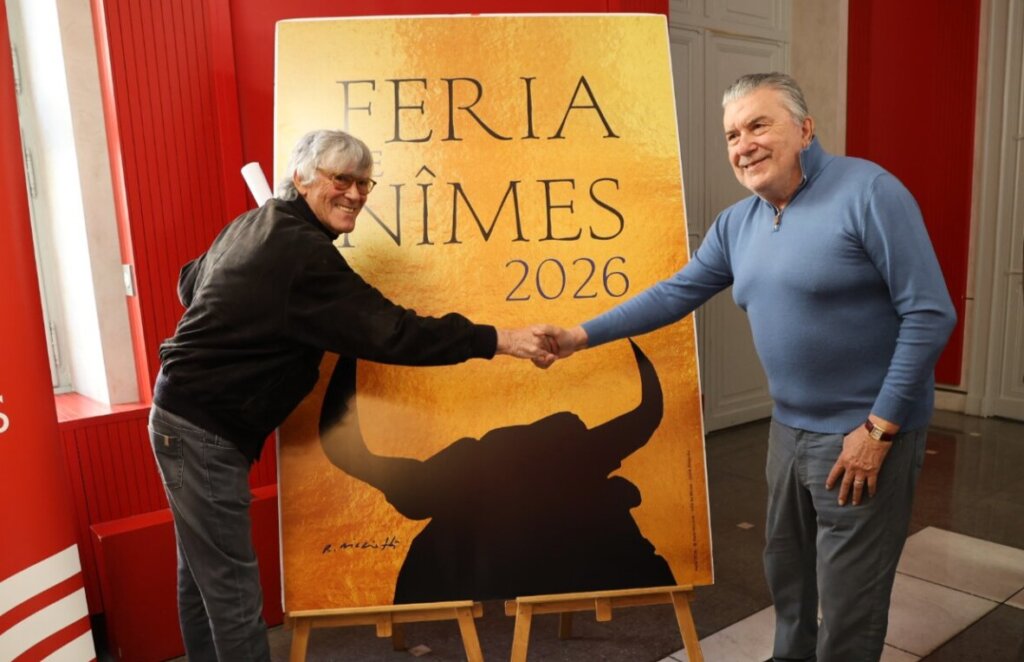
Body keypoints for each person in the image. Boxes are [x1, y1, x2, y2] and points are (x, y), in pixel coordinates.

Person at [544, 73, 957, 661]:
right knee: (787, 575)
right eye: (733, 135)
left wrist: (878, 430)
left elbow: (930, 314)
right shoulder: (738, 223)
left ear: (805, 129)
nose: (744, 145)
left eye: (759, 125)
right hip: (788, 431)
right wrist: (579, 336)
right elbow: (674, 293)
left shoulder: (870, 192)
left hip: (865, 433)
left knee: (850, 599)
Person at [149, 129, 556, 661]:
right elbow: (395, 333)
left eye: (365, 183)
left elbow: (189, 283)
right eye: (342, 179)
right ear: (301, 179)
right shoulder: (299, 251)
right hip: (201, 429)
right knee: (229, 589)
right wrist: (502, 340)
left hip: (185, 416)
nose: (356, 194)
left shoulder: (255, 225)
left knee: (203, 574)